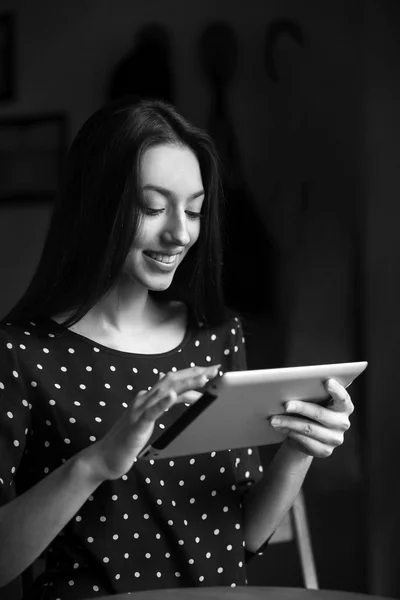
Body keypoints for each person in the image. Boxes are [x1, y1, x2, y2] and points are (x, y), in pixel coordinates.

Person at [0, 97, 354, 600]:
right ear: (97, 204)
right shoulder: (22, 353)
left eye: (193, 209)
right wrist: (95, 464)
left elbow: (245, 536)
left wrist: (299, 449)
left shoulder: (217, 336)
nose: (180, 233)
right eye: (152, 208)